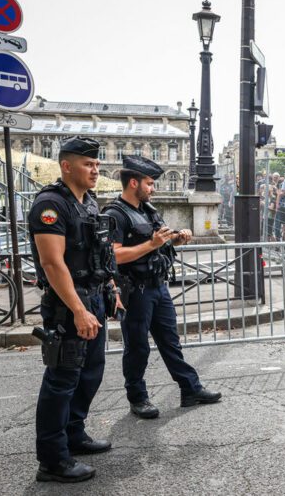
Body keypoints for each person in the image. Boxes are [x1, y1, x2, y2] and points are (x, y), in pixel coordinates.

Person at [103, 156, 221, 420]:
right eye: (149, 183)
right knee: (137, 348)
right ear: (133, 183)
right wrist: (152, 245)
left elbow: (163, 241)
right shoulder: (115, 214)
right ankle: (138, 397)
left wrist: (179, 237)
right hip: (135, 291)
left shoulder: (148, 210)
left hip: (158, 287)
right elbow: (114, 256)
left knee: (171, 342)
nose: (153, 188)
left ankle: (190, 389)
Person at [29, 136, 116, 483]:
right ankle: (52, 460)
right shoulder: (50, 205)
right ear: (66, 165)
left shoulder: (90, 204)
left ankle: (73, 434)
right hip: (68, 303)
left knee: (90, 371)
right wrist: (79, 310)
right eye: (87, 164)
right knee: (62, 380)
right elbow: (52, 264)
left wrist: (110, 288)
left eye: (96, 164)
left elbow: (100, 253)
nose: (95, 169)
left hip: (92, 296)